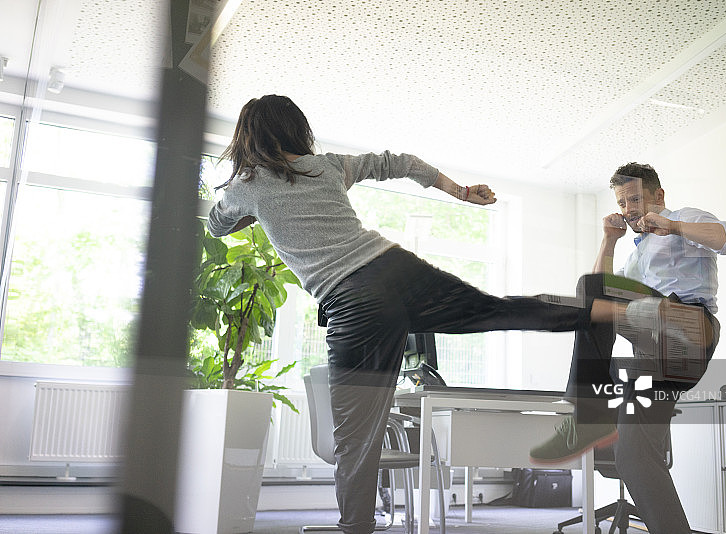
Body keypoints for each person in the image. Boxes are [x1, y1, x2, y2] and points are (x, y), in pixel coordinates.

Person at [206, 94, 626, 534]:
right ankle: (611, 310)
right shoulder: (328, 166)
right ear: (296, 128)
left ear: (248, 137)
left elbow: (215, 224)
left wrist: (255, 214)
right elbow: (400, 162)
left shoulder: (248, 187)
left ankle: (356, 529)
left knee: (355, 439)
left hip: (353, 302)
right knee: (497, 310)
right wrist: (461, 193)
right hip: (396, 269)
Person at [529, 162, 726, 534]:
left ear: (658, 196)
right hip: (653, 359)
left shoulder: (685, 219)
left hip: (689, 327)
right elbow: (595, 291)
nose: (629, 208)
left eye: (635, 198)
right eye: (622, 202)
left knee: (612, 299)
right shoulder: (636, 256)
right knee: (631, 456)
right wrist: (609, 241)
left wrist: (675, 226)